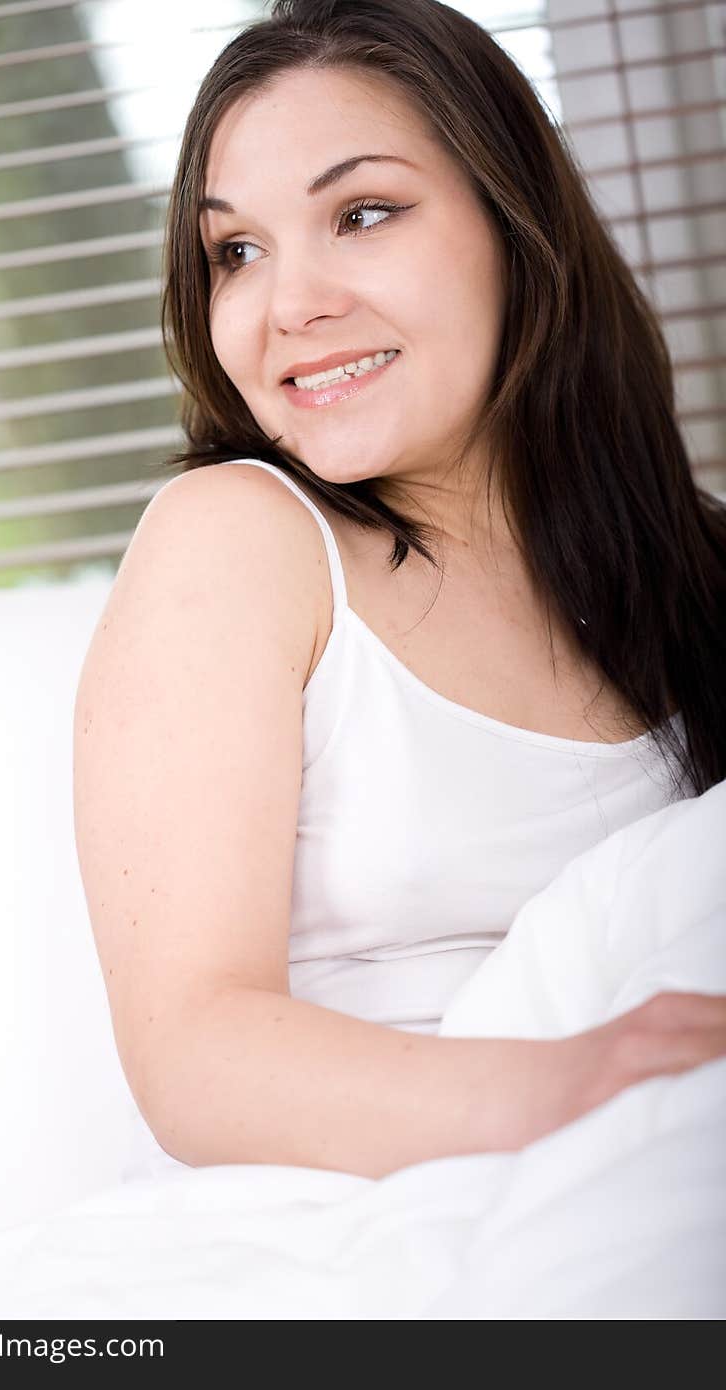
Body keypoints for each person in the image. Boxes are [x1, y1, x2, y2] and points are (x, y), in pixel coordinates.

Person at [73, 0, 726, 1180]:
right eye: (236, 251)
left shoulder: (693, 570)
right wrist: (583, 1083)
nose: (289, 304)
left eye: (361, 214)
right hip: (377, 1218)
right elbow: (194, 1057)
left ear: (515, 223)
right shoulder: (239, 542)